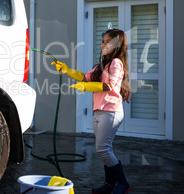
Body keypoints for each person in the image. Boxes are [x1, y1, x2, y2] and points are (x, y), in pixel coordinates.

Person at [52, 28, 131, 194]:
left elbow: (107, 86)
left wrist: (86, 87)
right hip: (99, 112)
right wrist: (66, 70)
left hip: (111, 112)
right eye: (102, 41)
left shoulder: (116, 63)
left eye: (107, 42)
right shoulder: (103, 64)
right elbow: (84, 77)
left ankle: (122, 184)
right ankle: (110, 184)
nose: (103, 45)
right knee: (104, 150)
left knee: (103, 149)